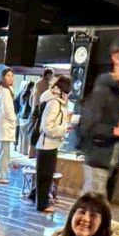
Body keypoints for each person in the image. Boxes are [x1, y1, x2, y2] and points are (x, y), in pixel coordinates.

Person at [78, 33, 119, 201]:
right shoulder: (103, 85)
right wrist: (115, 130)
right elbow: (88, 126)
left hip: (116, 159)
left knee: (100, 208)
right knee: (93, 206)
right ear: (116, 56)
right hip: (98, 156)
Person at [35, 74, 72, 213]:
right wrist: (64, 129)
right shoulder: (54, 102)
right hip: (47, 143)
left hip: (51, 143)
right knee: (44, 175)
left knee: (46, 174)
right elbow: (48, 126)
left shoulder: (57, 100)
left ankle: (37, 197)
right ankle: (41, 205)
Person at [0, 68, 17, 185]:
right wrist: (14, 120)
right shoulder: (5, 91)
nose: (10, 78)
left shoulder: (0, 90)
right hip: (4, 128)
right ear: (3, 77)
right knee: (3, 154)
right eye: (8, 75)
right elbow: (7, 110)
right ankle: (0, 176)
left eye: (12, 76)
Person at [27, 68, 54, 159]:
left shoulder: (38, 83)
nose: (52, 77)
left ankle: (31, 152)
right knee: (37, 131)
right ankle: (33, 153)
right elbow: (43, 99)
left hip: (35, 109)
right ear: (47, 75)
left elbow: (31, 99)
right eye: (51, 75)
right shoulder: (44, 84)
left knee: (34, 131)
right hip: (40, 110)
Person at [17, 80, 35, 154]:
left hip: (21, 116)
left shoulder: (22, 94)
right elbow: (31, 106)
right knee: (26, 135)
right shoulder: (30, 95)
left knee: (21, 134)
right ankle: (24, 151)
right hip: (27, 116)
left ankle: (20, 150)